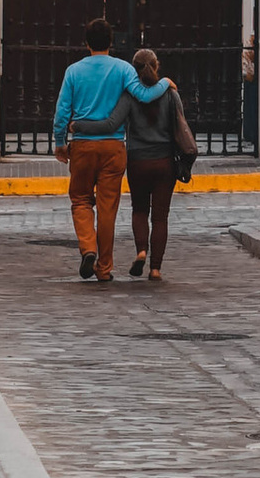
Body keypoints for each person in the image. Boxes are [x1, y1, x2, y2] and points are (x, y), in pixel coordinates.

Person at [50, 16, 142, 282]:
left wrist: (59, 142)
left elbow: (62, 111)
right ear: (111, 42)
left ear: (87, 43)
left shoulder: (74, 71)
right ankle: (104, 268)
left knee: (80, 199)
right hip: (114, 147)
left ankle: (88, 247)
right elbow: (138, 97)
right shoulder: (124, 69)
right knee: (107, 208)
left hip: (83, 147)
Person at [121, 47, 195, 282]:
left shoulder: (129, 94)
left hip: (137, 161)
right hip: (164, 162)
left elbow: (119, 122)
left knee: (139, 209)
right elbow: (179, 123)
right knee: (161, 217)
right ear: (157, 65)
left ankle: (141, 250)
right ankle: (155, 268)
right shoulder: (170, 93)